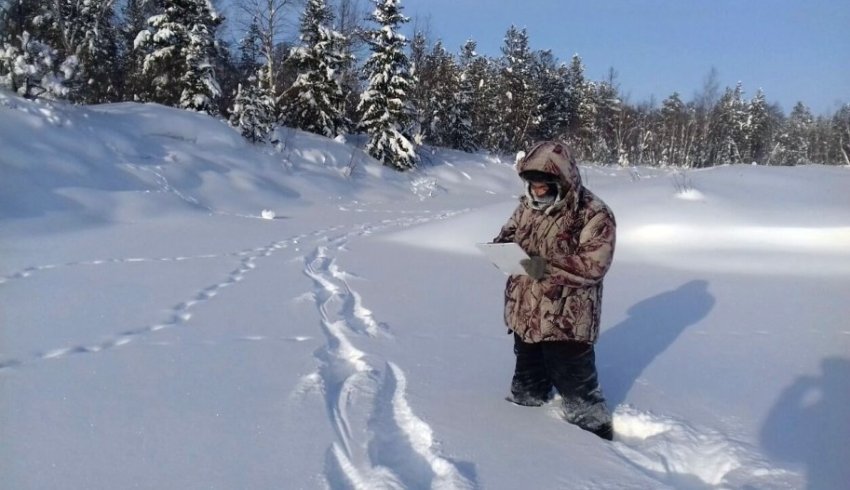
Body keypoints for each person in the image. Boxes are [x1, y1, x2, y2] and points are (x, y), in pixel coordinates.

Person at [493, 140, 616, 440]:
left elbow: (593, 265)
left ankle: (599, 451)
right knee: (526, 393)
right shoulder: (525, 207)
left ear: (562, 179)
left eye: (544, 184)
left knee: (581, 400)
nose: (537, 191)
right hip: (525, 317)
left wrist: (544, 267)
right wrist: (500, 252)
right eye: (532, 184)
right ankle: (525, 448)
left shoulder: (593, 214)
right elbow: (506, 235)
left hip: (567, 322)